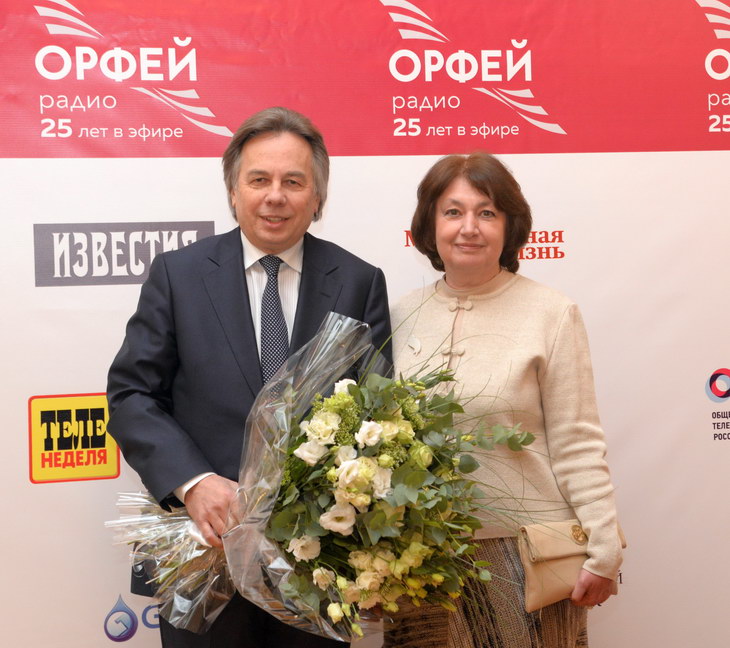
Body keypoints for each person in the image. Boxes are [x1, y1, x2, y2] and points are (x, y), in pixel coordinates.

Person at [107, 106, 391, 648]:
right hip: (202, 549)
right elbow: (132, 395)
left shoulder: (359, 281)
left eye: (293, 182)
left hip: (320, 563)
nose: (274, 196)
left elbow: (379, 414)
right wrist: (193, 483)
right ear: (233, 191)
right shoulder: (178, 275)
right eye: (258, 179)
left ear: (318, 197)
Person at [384, 152, 623, 648]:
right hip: (419, 560)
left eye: (487, 213)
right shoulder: (401, 315)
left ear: (509, 227)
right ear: (429, 225)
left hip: (526, 559)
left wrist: (604, 549)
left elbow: (577, 441)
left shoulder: (551, 313)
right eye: (453, 212)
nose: (469, 227)